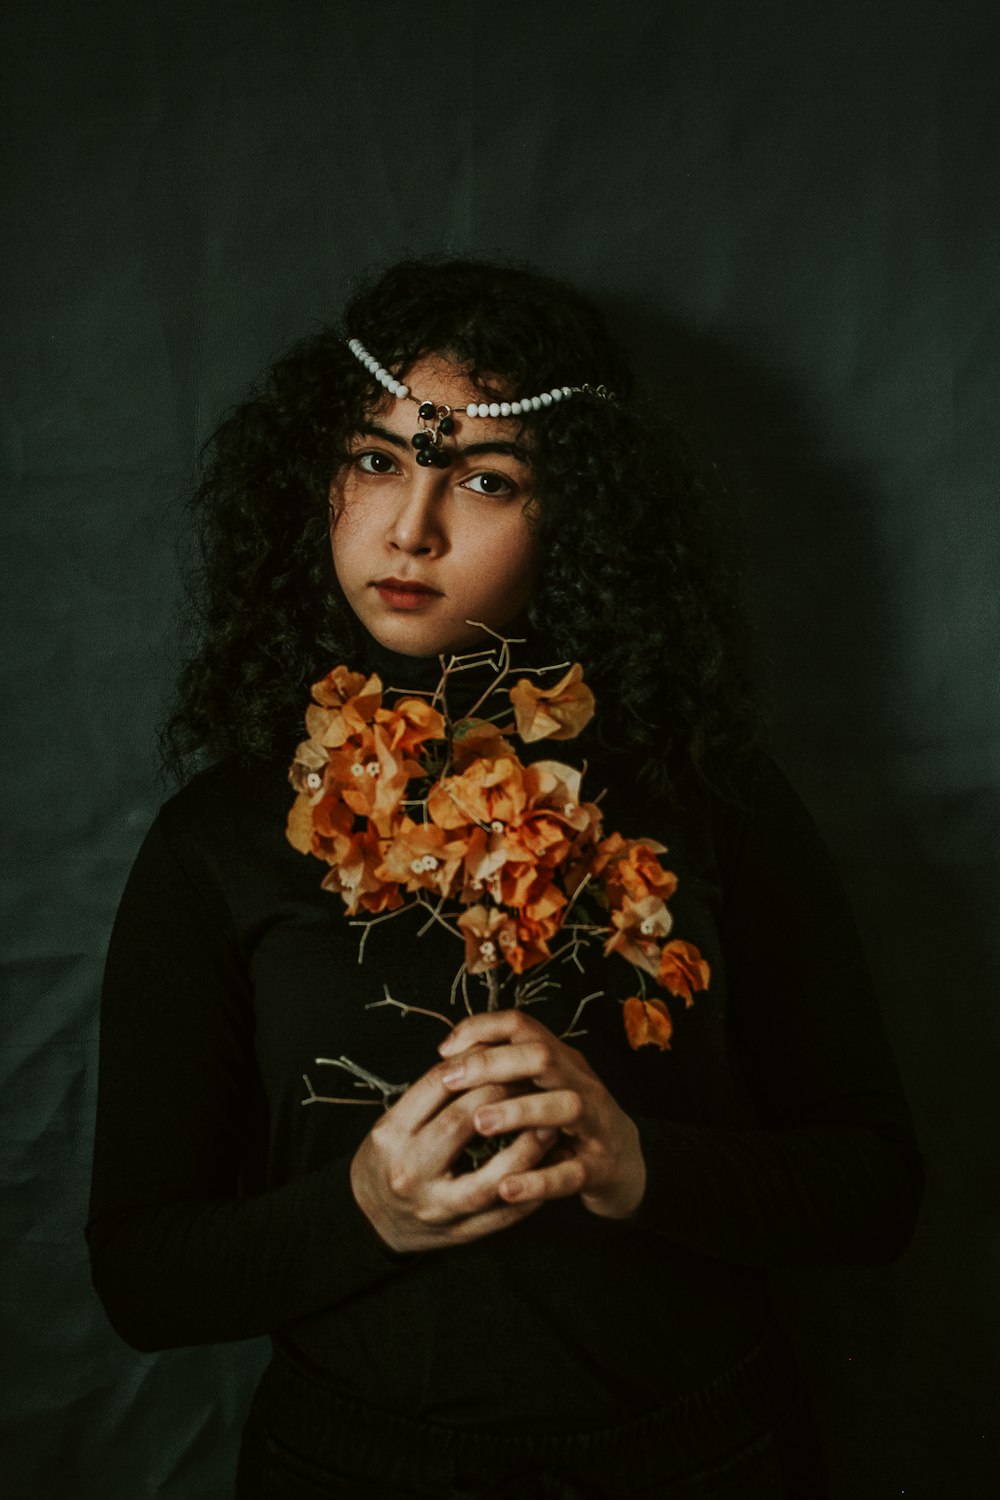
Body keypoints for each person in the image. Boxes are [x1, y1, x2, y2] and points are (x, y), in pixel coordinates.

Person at [86, 257, 924, 1499]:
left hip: (703, 1459)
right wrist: (365, 1206)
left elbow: (874, 1195)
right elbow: (144, 1281)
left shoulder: (706, 795)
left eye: (484, 480)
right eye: (376, 460)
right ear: (314, 473)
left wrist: (640, 1163)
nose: (409, 528)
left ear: (572, 515)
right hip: (352, 1469)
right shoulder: (219, 839)